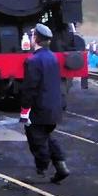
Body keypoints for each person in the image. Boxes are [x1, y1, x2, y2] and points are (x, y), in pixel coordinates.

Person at [19, 23, 70, 184]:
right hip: (54, 108)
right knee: (47, 136)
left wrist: (24, 111)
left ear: (36, 39)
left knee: (36, 139)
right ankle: (61, 165)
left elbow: (30, 88)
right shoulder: (53, 58)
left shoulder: (33, 61)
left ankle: (40, 172)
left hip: (39, 108)